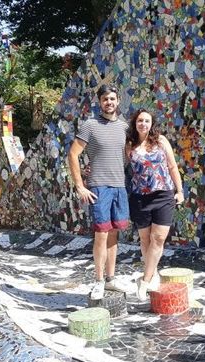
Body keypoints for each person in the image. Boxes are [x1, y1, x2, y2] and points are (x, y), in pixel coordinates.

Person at [68, 84, 130, 300]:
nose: (109, 102)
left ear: (118, 101)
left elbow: (128, 156)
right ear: (100, 102)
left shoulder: (124, 127)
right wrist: (80, 186)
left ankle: (111, 279)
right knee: (101, 234)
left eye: (112, 98)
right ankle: (98, 281)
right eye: (105, 99)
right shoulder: (90, 125)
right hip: (99, 187)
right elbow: (73, 154)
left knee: (114, 234)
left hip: (119, 187)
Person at [126, 109, 184, 301]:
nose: (143, 124)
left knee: (158, 239)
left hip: (164, 195)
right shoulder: (129, 145)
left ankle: (144, 281)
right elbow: (118, 165)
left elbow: (172, 166)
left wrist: (180, 191)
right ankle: (153, 272)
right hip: (140, 198)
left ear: (152, 124)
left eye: (147, 121)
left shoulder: (161, 141)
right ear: (135, 123)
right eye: (140, 120)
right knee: (145, 241)